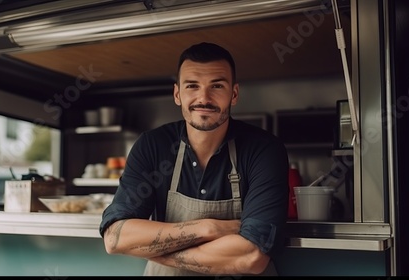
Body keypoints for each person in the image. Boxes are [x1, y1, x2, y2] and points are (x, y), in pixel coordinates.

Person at [99, 42, 289, 276]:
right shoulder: (152, 146)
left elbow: (251, 256)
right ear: (177, 94)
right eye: (192, 86)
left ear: (234, 94)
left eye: (217, 86)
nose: (204, 98)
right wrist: (209, 228)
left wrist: (152, 250)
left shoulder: (264, 150)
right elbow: (116, 237)